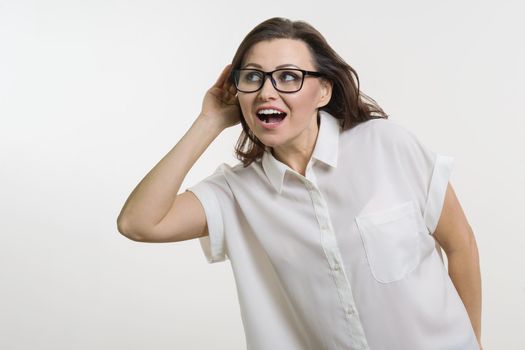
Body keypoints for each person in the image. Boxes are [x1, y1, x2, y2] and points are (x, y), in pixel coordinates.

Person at [117, 17, 482, 350]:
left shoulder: (387, 145)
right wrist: (209, 120)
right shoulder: (235, 194)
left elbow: (460, 243)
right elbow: (138, 223)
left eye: (288, 76)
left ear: (323, 91)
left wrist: (473, 343)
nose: (266, 91)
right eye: (253, 77)